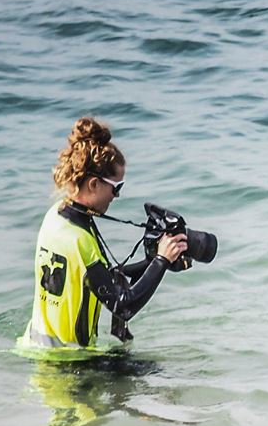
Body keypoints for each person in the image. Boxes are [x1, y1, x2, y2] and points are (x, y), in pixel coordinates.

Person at [19, 116, 187, 357]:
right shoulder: (80, 240)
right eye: (116, 188)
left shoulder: (56, 216)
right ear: (94, 184)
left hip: (37, 345)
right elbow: (123, 305)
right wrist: (161, 261)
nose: (116, 196)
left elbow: (100, 279)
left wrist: (153, 261)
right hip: (67, 361)